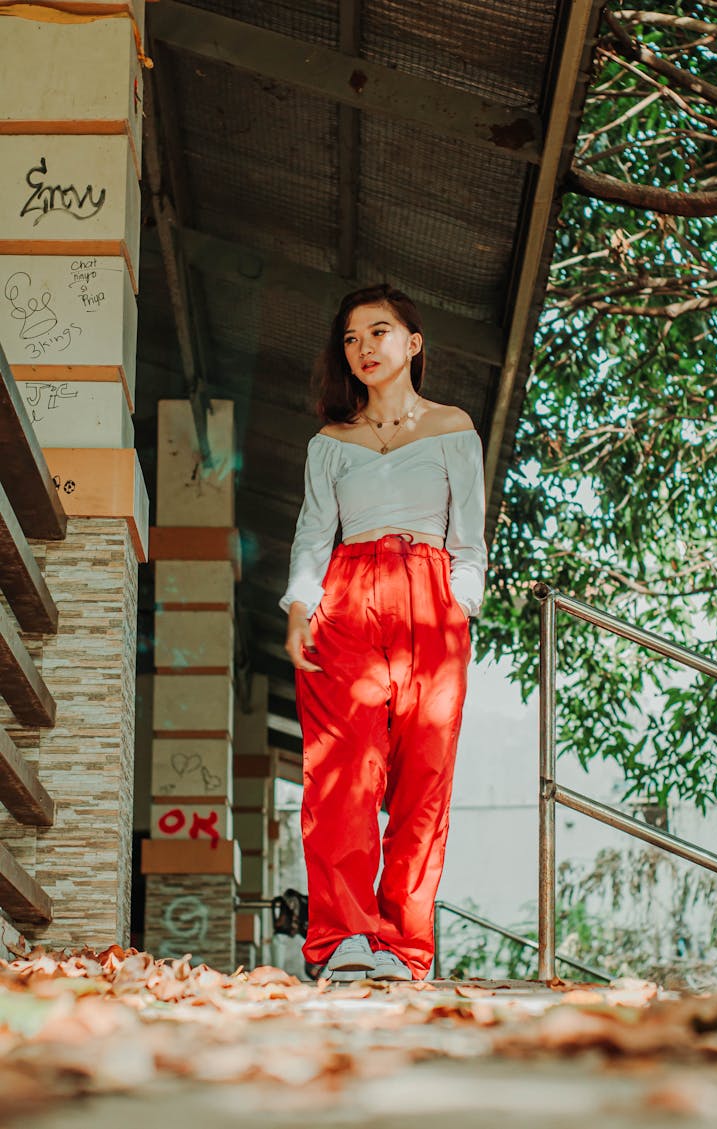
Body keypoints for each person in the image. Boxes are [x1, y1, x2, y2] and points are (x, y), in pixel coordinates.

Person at [280, 283, 487, 983]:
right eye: (351, 337)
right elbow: (313, 533)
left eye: (379, 331)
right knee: (341, 777)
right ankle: (342, 940)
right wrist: (297, 611)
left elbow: (470, 540)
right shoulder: (329, 442)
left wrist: (461, 610)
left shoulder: (454, 427)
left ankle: (404, 944)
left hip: (432, 603)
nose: (364, 347)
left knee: (423, 779)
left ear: (413, 342)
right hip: (347, 599)